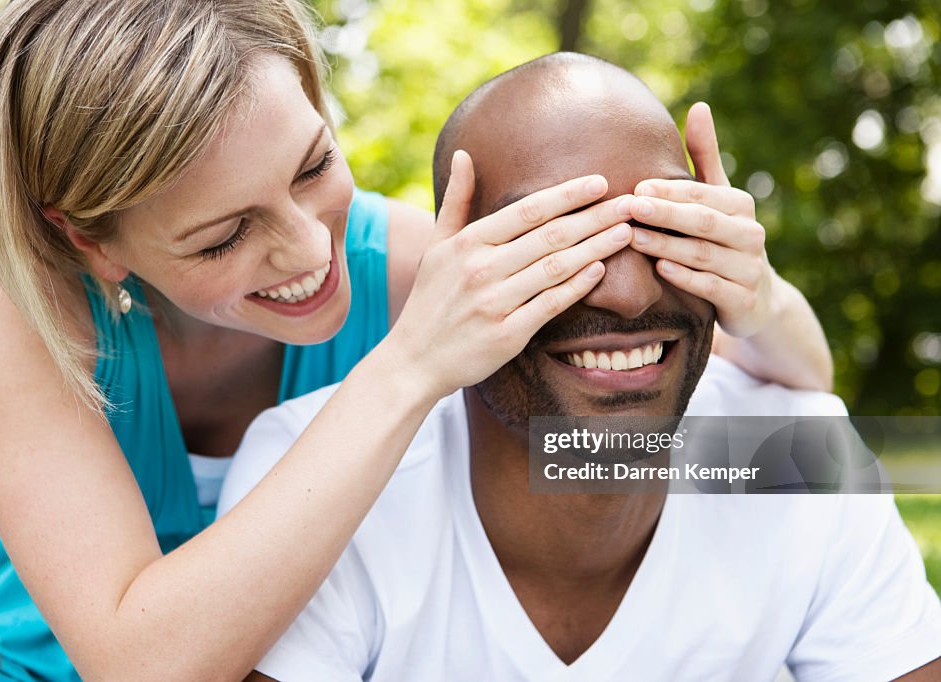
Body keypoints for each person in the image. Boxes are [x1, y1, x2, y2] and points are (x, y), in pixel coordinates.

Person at [0, 1, 830, 679]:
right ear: (87, 237)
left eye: (314, 166)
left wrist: (754, 292)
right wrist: (409, 368)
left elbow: (797, 392)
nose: (311, 250)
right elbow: (138, 662)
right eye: (223, 235)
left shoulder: (399, 265)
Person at [220, 53, 941, 681]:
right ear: (457, 277)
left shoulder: (794, 456)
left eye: (663, 227)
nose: (628, 295)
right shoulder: (315, 485)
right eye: (550, 242)